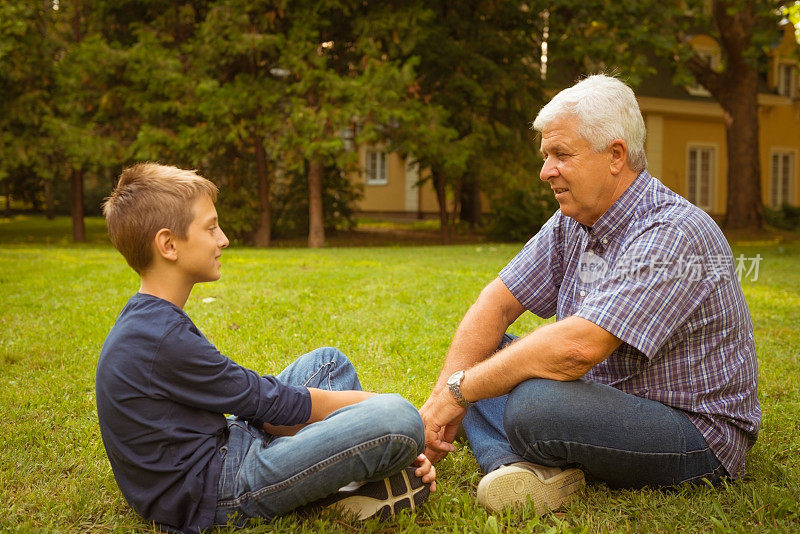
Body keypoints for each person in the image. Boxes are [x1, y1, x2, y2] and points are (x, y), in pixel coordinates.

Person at [419, 74, 760, 514]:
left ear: (615, 155)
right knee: (484, 356)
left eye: (561, 155)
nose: (546, 172)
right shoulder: (572, 221)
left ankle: (522, 452)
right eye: (546, 156)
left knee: (528, 401)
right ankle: (520, 472)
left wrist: (459, 393)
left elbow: (579, 349)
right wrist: (441, 399)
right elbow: (497, 302)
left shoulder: (674, 232)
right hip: (605, 400)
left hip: (695, 434)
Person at [96, 163, 436, 534]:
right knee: (399, 418)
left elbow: (256, 400)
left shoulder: (148, 319)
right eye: (211, 228)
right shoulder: (160, 338)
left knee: (328, 363)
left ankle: (337, 467)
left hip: (224, 446)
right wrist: (388, 410)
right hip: (216, 494)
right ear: (168, 244)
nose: (223, 239)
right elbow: (266, 401)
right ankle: (341, 479)